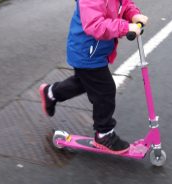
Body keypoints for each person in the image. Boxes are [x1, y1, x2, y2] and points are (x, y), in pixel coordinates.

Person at [39, 0, 148, 154]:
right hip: (86, 52)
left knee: (83, 82)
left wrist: (134, 15)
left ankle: (51, 93)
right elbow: (94, 25)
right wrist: (125, 27)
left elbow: (125, 4)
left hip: (95, 51)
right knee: (105, 90)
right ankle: (104, 134)